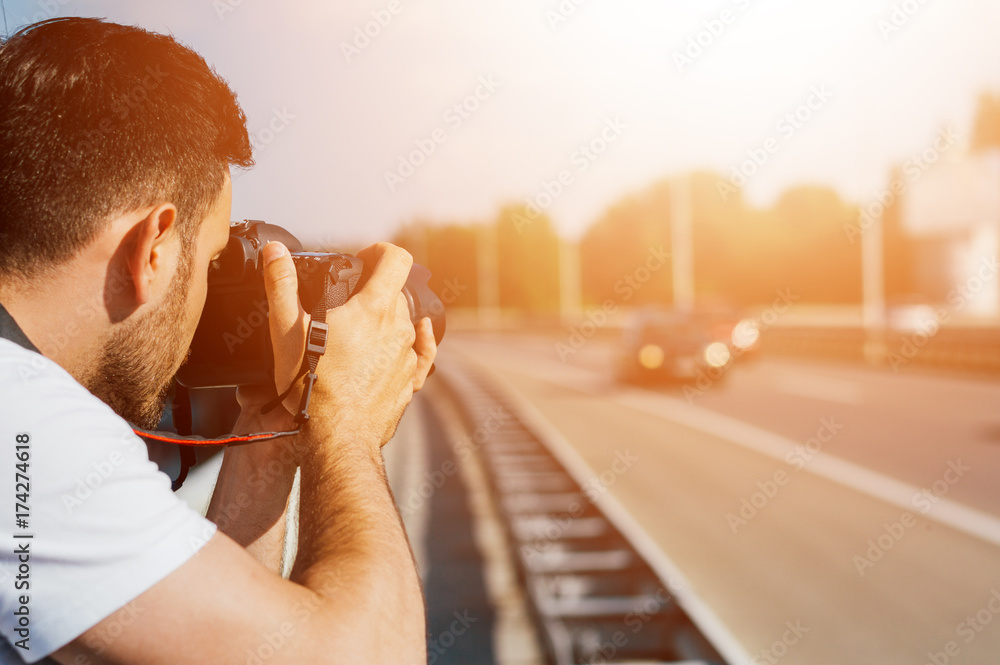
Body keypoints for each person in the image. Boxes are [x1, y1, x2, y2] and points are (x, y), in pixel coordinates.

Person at [0, 17, 435, 664]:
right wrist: (345, 424)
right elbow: (371, 652)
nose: (207, 299)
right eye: (208, 263)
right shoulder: (26, 426)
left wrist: (277, 425)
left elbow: (201, 643)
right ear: (153, 245)